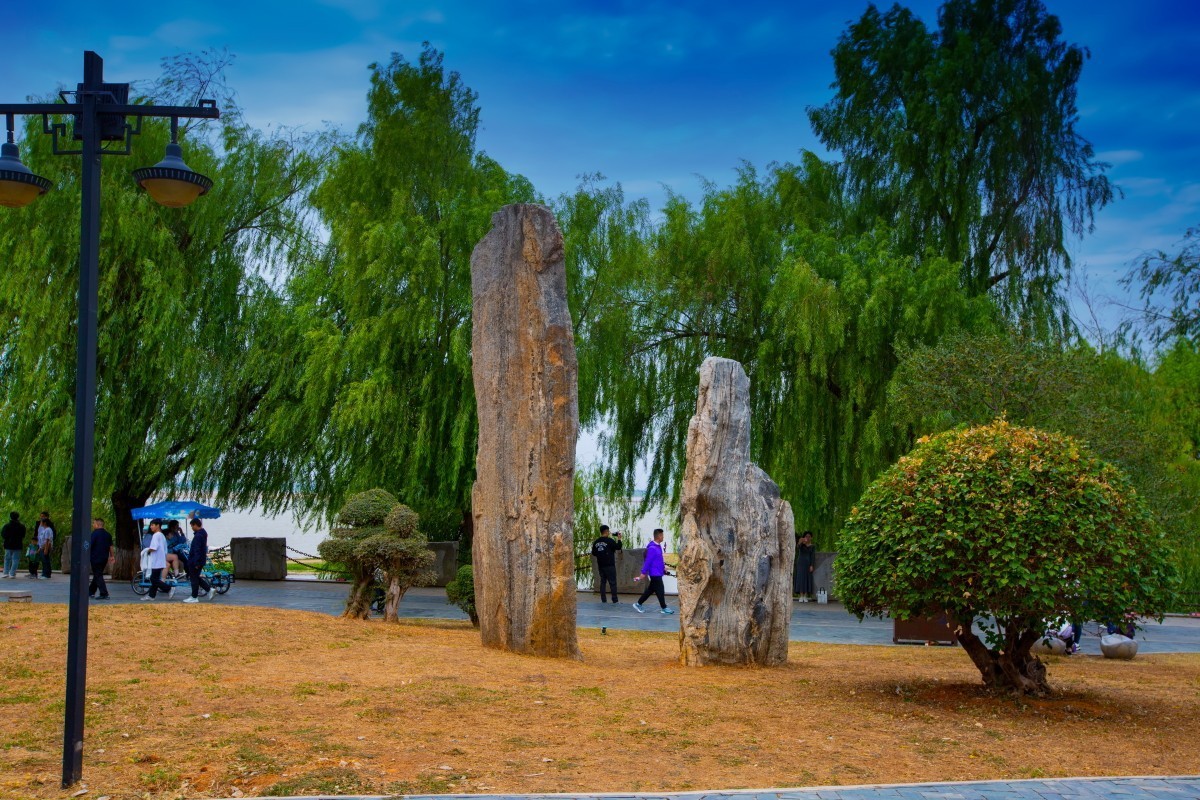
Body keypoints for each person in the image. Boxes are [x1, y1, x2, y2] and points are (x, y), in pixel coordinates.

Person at [632, 528, 673, 614]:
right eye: (662, 535)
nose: (663, 537)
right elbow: (647, 562)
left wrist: (663, 568)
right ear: (659, 536)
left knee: (650, 590)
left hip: (658, 572)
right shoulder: (652, 548)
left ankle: (638, 604)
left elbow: (659, 559)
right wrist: (643, 573)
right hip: (654, 573)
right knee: (660, 590)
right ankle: (664, 608)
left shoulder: (658, 546)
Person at [182, 516, 214, 603]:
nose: (192, 528)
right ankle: (209, 589)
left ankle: (194, 596)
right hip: (199, 560)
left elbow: (197, 550)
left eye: (192, 526)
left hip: (195, 561)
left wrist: (196, 562)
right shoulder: (203, 534)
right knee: (195, 577)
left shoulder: (198, 536)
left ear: (196, 525)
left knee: (194, 579)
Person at [590, 525, 623, 604]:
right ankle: (615, 600)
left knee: (603, 582)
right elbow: (618, 547)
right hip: (610, 565)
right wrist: (619, 539)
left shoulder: (596, 542)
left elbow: (594, 553)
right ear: (607, 531)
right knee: (612, 583)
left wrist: (601, 554)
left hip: (601, 565)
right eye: (608, 531)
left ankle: (603, 600)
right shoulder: (609, 541)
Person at [142, 519, 174, 600]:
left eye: (152, 525)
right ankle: (151, 596)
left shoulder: (156, 535)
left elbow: (154, 548)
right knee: (154, 578)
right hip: (160, 559)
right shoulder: (162, 535)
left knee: (153, 579)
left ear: (158, 525)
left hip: (156, 560)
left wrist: (147, 551)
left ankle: (168, 588)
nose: (151, 527)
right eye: (151, 525)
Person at [88, 518, 113, 600]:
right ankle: (90, 591)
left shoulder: (94, 534)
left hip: (95, 557)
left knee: (98, 575)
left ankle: (104, 593)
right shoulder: (108, 534)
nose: (93, 525)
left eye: (93, 523)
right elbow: (111, 546)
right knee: (97, 574)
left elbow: (90, 545)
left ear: (97, 524)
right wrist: (112, 556)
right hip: (104, 558)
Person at [1, 511, 26, 578]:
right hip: (18, 545)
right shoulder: (22, 526)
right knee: (15, 559)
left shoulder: (7, 526)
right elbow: (23, 535)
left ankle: (6, 573)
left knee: (7, 559)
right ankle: (12, 574)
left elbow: (3, 535)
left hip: (8, 545)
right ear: (18, 517)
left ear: (10, 517)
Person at [31, 511, 55, 579]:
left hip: (45, 546)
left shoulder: (48, 530)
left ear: (45, 523)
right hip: (42, 546)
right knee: (43, 560)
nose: (40, 522)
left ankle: (46, 574)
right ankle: (44, 573)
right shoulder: (44, 529)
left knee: (45, 560)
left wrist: (46, 549)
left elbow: (47, 540)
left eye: (42, 521)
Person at [794, 530, 816, 602]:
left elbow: (812, 556)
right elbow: (798, 547)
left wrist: (811, 565)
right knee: (800, 578)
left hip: (808, 563)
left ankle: (805, 596)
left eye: (809, 536)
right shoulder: (801, 545)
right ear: (804, 537)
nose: (808, 538)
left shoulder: (812, 546)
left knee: (807, 578)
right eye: (806, 536)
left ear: (811, 537)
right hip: (800, 563)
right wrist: (800, 542)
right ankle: (801, 596)